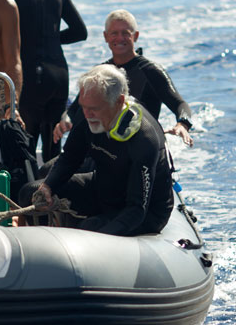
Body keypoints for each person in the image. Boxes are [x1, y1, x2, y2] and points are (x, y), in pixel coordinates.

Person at [33, 64, 174, 236]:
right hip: (104, 190)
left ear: (119, 101)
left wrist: (98, 238)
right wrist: (48, 187)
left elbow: (137, 210)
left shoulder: (144, 138)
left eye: (94, 109)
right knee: (30, 192)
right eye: (83, 107)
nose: (86, 114)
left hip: (145, 212)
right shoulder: (88, 115)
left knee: (89, 226)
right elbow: (70, 158)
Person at [0, 0, 87, 161]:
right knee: (53, 145)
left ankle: (29, 193)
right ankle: (54, 192)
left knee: (25, 144)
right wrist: (51, 40)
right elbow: (79, 32)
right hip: (58, 74)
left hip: (28, 77)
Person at [54, 9, 194, 149]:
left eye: (125, 33)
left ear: (136, 36)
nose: (119, 38)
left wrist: (182, 124)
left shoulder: (151, 71)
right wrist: (66, 120)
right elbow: (75, 109)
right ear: (105, 36)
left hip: (140, 148)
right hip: (105, 150)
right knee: (47, 169)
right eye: (114, 33)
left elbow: (179, 104)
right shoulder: (100, 72)